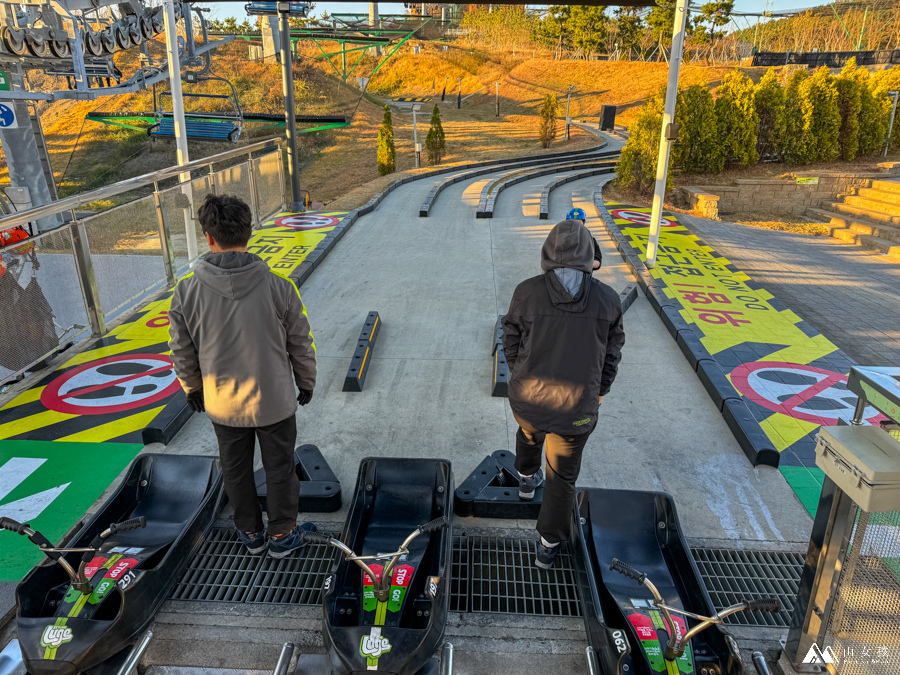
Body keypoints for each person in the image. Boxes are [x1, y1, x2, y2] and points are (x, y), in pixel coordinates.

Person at [168, 194, 317, 559]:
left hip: (223, 403)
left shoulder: (186, 291)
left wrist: (191, 386)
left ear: (208, 237)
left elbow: (181, 348)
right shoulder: (279, 286)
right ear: (249, 233)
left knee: (235, 470)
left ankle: (250, 533)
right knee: (280, 469)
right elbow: (300, 340)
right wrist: (306, 380)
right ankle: (282, 534)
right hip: (275, 400)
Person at [502, 218, 625, 570]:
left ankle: (526, 479)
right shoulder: (608, 299)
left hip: (528, 399)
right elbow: (612, 354)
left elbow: (509, 337)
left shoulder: (526, 292)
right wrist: (600, 390)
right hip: (576, 411)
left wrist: (519, 371)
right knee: (562, 478)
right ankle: (548, 545)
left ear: (546, 253)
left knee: (528, 433)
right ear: (590, 256)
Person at [566, 207, 602, 271]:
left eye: (579, 223)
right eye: (572, 222)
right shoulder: (560, 237)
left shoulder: (589, 239)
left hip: (582, 273)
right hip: (564, 272)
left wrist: (596, 260)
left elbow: (597, 253)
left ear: (583, 223)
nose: (576, 225)